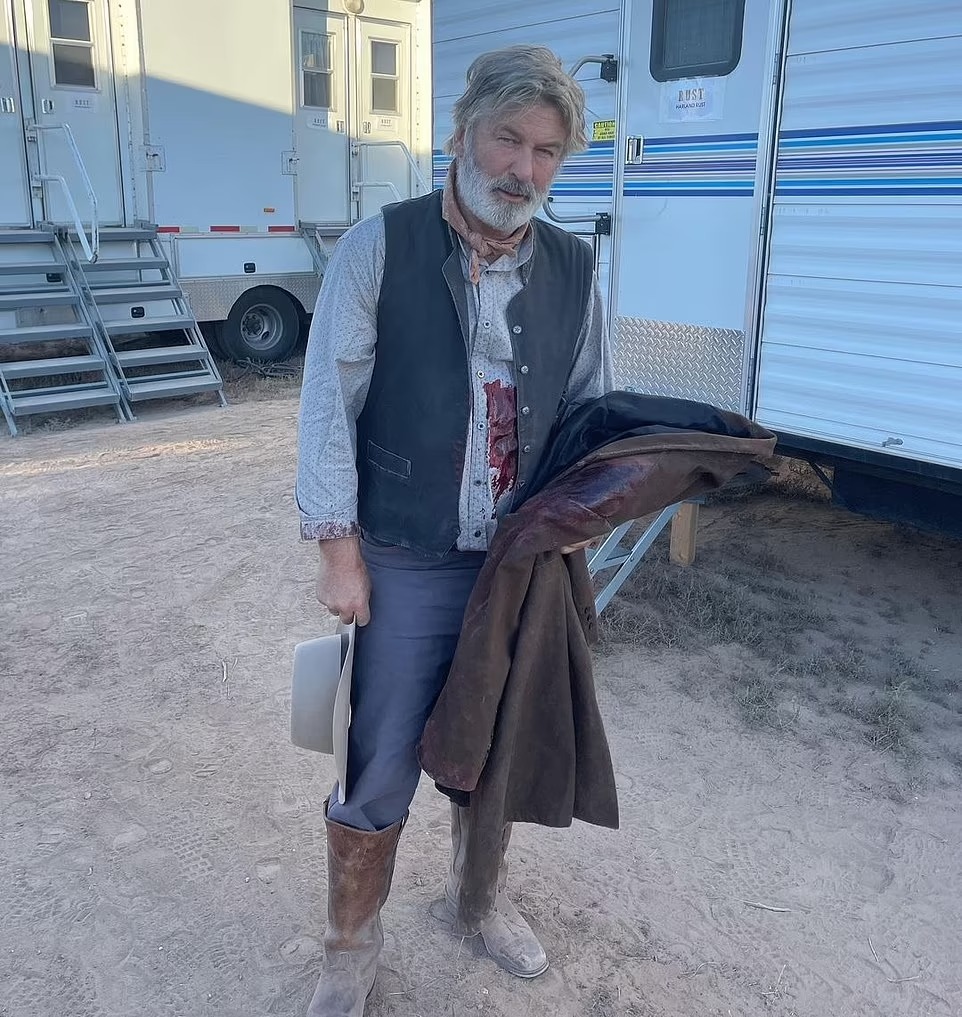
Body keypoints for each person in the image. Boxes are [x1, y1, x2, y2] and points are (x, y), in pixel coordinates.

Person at [296, 45, 612, 1016]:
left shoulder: (574, 268)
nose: (523, 168)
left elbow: (589, 411)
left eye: (546, 151)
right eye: (508, 139)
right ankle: (351, 946)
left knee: (495, 746)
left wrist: (584, 515)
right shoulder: (379, 247)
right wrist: (338, 546)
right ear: (462, 135)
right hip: (405, 555)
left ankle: (475, 903)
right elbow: (327, 405)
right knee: (378, 756)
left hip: (516, 565)